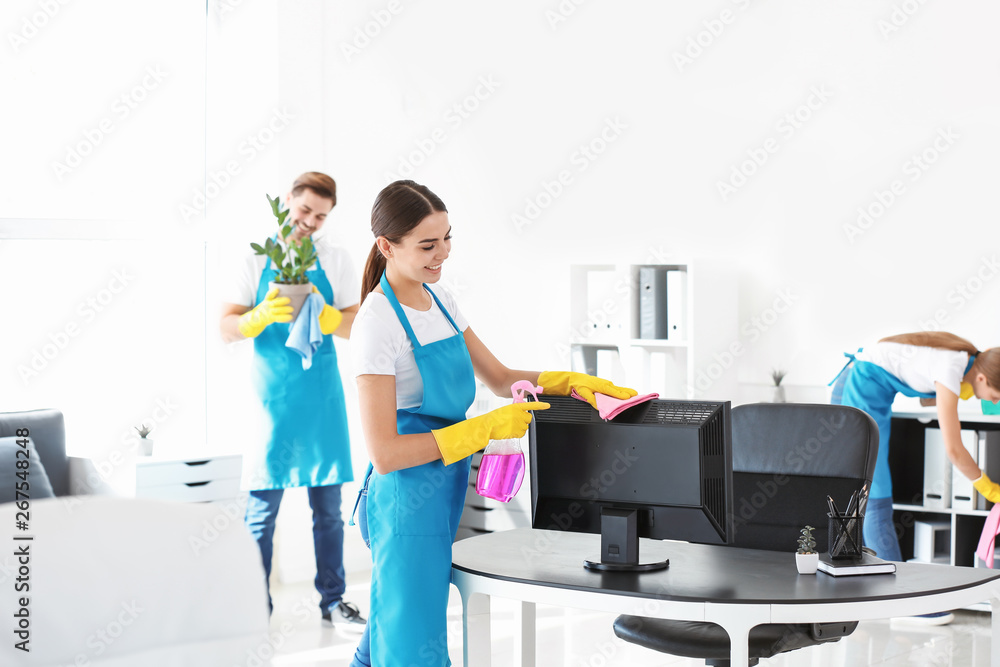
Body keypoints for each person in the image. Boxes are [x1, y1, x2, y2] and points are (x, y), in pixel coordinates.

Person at [347, 180, 636, 666]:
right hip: (404, 500)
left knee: (387, 634)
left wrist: (570, 381)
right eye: (427, 245)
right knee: (412, 648)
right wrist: (483, 429)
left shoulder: (440, 301)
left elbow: (500, 377)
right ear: (386, 246)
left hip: (444, 484)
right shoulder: (377, 322)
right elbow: (386, 453)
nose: (443, 254)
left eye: (447, 238)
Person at [220, 171, 366, 632]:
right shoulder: (251, 257)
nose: (310, 222)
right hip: (273, 398)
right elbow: (225, 327)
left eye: (320, 216)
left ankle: (334, 600)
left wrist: (328, 315)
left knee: (327, 509)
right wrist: (258, 317)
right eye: (305, 211)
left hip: (321, 393)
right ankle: (250, 605)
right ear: (288, 202)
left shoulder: (336, 258)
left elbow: (355, 323)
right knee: (261, 512)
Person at [831, 333, 1000, 623]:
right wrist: (990, 490)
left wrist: (961, 392)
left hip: (871, 391)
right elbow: (954, 449)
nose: (994, 403)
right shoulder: (953, 366)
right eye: (996, 397)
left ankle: (880, 593)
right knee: (875, 497)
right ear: (983, 379)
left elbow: (923, 399)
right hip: (860, 388)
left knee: (865, 497)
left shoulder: (962, 365)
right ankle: (902, 602)